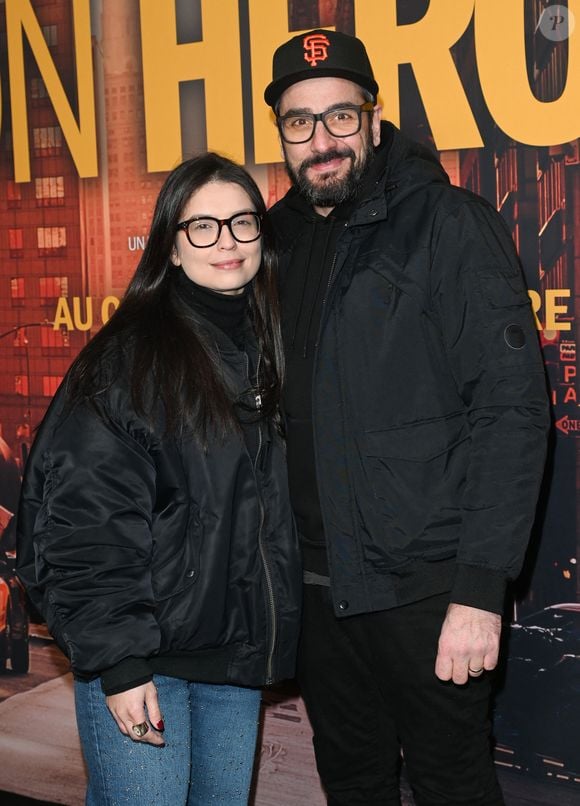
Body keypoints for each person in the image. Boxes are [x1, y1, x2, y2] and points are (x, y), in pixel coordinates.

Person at [264, 29, 550, 806]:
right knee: (351, 783)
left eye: (340, 117)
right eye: (299, 122)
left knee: (451, 785)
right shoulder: (271, 241)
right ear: (281, 135)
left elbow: (511, 409)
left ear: (373, 117)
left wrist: (480, 591)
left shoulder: (448, 223)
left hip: (428, 594)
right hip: (321, 593)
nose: (321, 141)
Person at [16, 153, 301, 806]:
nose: (226, 241)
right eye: (203, 226)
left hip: (233, 665)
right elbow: (78, 523)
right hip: (148, 664)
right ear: (171, 247)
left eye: (242, 222)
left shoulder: (270, 352)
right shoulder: (130, 359)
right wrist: (119, 664)